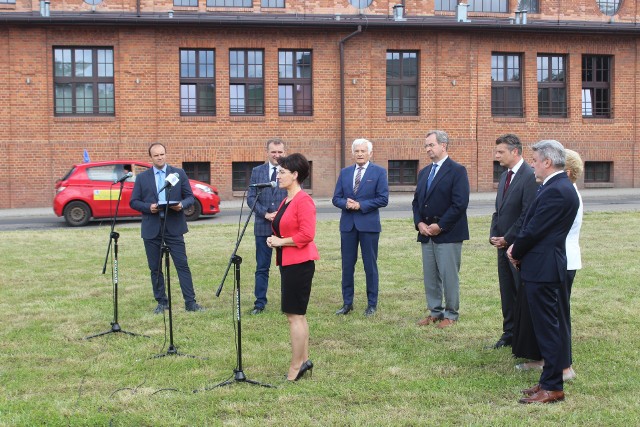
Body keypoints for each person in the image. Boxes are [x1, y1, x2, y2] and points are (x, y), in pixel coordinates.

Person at [507, 140, 579, 404]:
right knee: (547, 327)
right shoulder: (555, 186)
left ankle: (553, 387)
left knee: (549, 329)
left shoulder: (557, 189)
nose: (533, 165)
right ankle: (547, 381)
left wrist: (515, 250)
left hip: (544, 267)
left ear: (547, 162)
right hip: (542, 265)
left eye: (535, 160)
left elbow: (535, 229)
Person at [130, 143, 203, 314]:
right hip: (152, 227)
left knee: (182, 265)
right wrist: (149, 207)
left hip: (174, 226)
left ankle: (190, 303)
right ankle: (162, 302)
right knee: (155, 268)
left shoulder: (178, 173)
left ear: (166, 154)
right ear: (151, 157)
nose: (160, 157)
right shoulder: (142, 178)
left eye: (162, 154)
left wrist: (181, 205)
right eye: (156, 155)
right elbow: (134, 201)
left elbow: (190, 197)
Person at [266, 153, 320, 381]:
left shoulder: (303, 200)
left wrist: (281, 241)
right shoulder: (286, 199)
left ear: (295, 175)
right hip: (288, 262)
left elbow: (307, 234)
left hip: (300, 263)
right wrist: (274, 238)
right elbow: (285, 226)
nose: (278, 176)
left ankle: (297, 365)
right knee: (296, 314)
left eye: (282, 172)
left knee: (295, 316)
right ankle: (304, 360)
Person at [412, 130, 469, 329]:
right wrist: (419, 223)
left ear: (443, 145)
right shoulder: (424, 172)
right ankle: (435, 311)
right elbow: (416, 201)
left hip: (448, 234)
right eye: (426, 145)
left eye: (431, 145)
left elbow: (460, 204)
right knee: (430, 275)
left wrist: (440, 225)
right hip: (426, 234)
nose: (427, 149)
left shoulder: (457, 171)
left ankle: (451, 314)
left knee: (448, 275)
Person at [489, 134, 538, 349]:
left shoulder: (529, 176)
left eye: (500, 152)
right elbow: (499, 211)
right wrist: (494, 235)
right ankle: (508, 332)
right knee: (506, 290)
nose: (496, 155)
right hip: (501, 245)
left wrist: (508, 238)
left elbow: (527, 213)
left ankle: (521, 333)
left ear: (515, 152)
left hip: (517, 247)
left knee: (520, 291)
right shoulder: (504, 176)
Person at [332, 138, 389, 317]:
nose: (360, 154)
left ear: (370, 153)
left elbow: (383, 199)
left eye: (363, 151)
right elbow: (336, 198)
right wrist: (346, 204)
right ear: (352, 153)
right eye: (357, 151)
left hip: (369, 226)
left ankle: (372, 304)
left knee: (369, 266)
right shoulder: (345, 172)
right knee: (347, 265)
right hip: (348, 226)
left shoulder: (379, 172)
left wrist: (360, 205)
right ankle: (347, 303)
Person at [247, 138, 288, 315]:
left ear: (284, 152)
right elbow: (250, 197)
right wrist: (265, 213)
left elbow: (294, 197)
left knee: (286, 268)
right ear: (268, 152)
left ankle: (288, 302)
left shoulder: (289, 171)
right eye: (273, 152)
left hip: (284, 228)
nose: (277, 155)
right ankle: (260, 303)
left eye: (280, 152)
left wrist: (279, 215)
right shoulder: (257, 171)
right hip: (263, 226)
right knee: (262, 267)